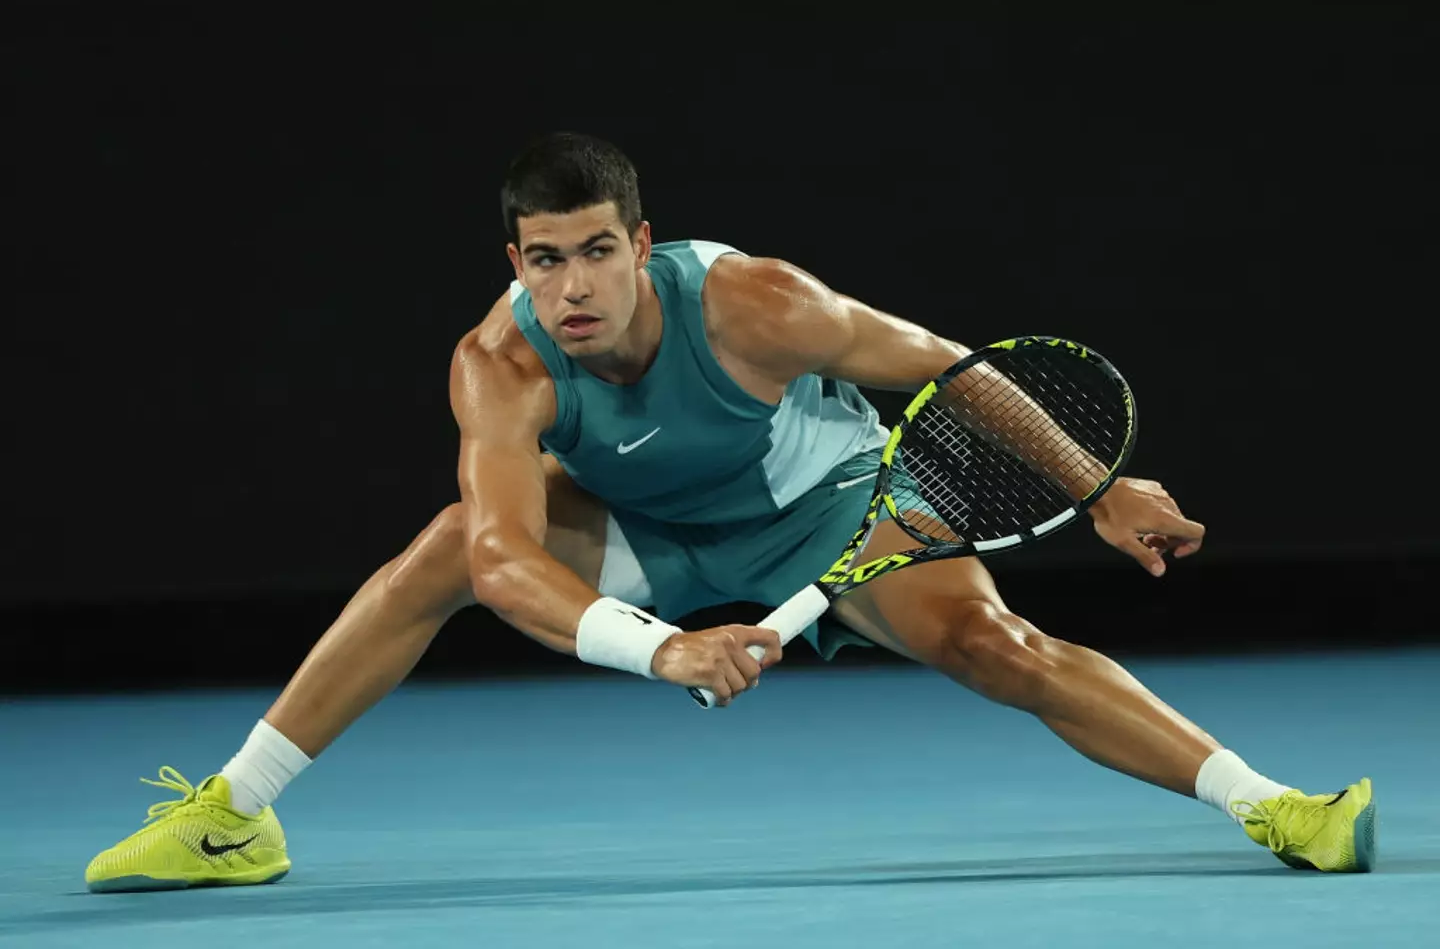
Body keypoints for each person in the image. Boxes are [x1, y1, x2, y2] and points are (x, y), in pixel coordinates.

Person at [84, 132, 1375, 893]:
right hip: (641, 526)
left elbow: (950, 368)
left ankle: (1272, 805)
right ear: (516, 263)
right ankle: (234, 816)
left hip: (822, 507)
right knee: (435, 556)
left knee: (1000, 649)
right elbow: (501, 556)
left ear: (643, 244)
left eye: (598, 250)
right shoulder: (503, 363)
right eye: (547, 258)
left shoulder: (758, 302)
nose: (575, 284)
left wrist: (1096, 486)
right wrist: (667, 648)